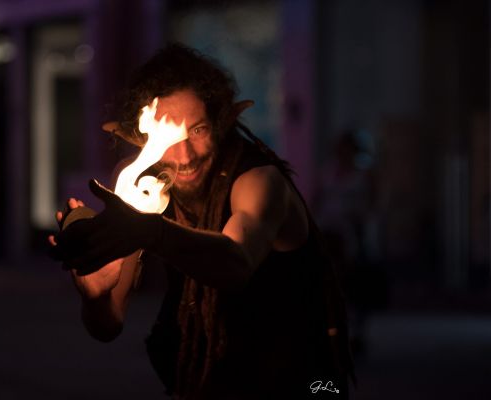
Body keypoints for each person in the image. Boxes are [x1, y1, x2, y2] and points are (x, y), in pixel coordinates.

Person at [49, 44, 353, 399]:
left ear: (221, 123)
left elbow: (235, 263)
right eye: (169, 136)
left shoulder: (257, 181)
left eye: (197, 130)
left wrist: (151, 232)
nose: (184, 155)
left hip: (300, 382)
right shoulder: (141, 185)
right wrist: (97, 297)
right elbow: (106, 327)